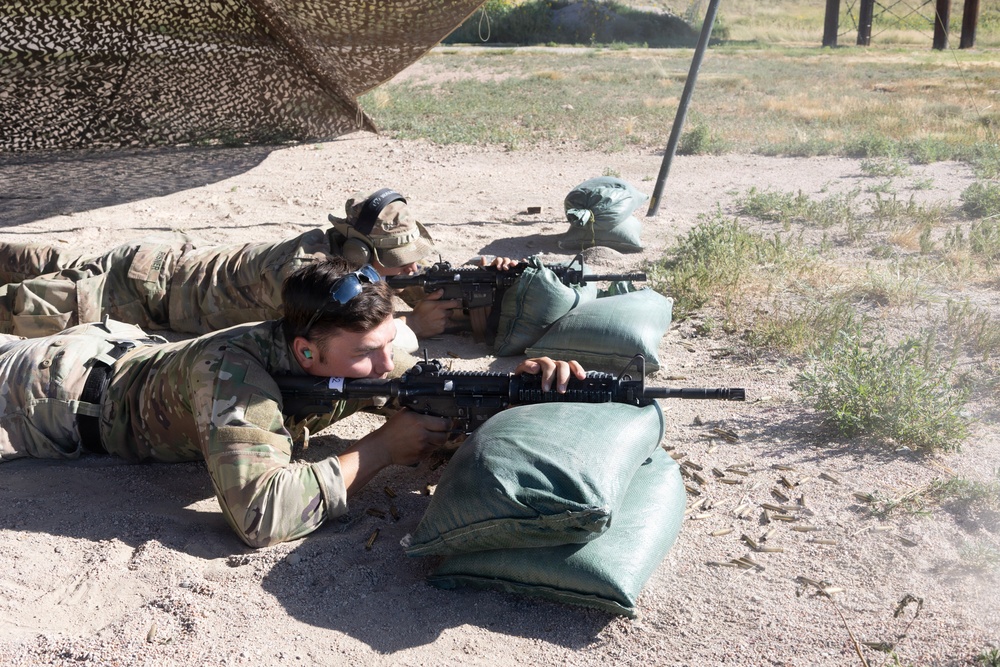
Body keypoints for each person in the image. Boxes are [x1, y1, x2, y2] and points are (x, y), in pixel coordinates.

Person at [0, 257, 585, 548]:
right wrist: (380, 449)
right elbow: (260, 516)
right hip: (52, 391)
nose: (385, 368)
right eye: (367, 354)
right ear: (306, 353)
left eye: (387, 345)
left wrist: (523, 391)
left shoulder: (351, 355)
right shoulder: (236, 374)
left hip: (121, 347)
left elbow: (433, 398)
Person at [0, 187, 461, 341]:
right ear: (358, 254)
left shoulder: (356, 264)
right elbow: (337, 337)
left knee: (38, 260)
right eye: (394, 263)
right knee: (15, 309)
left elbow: (424, 283)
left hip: (158, 260)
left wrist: (488, 276)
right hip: (136, 292)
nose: (407, 271)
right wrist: (412, 326)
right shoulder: (303, 275)